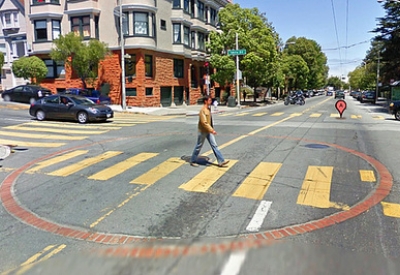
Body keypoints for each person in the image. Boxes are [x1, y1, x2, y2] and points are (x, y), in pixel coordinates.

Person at [190, 96, 229, 167]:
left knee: (214, 145)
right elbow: (204, 122)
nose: (210, 102)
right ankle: (192, 160)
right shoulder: (203, 110)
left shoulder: (208, 109)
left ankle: (221, 161)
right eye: (209, 100)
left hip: (209, 131)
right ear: (205, 101)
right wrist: (212, 130)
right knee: (198, 146)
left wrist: (211, 130)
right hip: (203, 131)